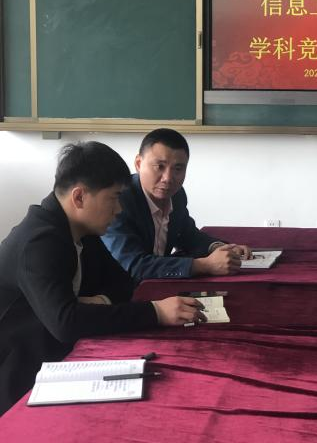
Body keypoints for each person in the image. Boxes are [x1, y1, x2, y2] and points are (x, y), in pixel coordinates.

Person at [0, 142, 207, 415]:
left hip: (56, 355)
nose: (119, 209)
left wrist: (98, 301)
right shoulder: (40, 241)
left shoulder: (80, 229)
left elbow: (124, 282)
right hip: (18, 374)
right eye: (114, 198)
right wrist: (155, 312)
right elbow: (66, 324)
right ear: (79, 197)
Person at [102, 128, 251, 283]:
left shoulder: (177, 195)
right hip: (119, 290)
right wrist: (204, 265)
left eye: (178, 169)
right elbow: (135, 265)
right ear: (139, 164)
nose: (168, 178)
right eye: (160, 166)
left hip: (158, 286)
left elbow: (188, 236)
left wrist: (221, 248)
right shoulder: (119, 200)